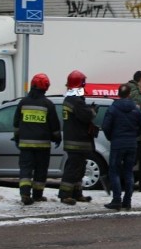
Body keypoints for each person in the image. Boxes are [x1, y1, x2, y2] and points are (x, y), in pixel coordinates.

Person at [13, 73, 61, 206]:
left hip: (25, 144)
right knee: (40, 170)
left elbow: (16, 123)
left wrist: (17, 137)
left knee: (25, 169)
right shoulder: (48, 104)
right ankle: (38, 195)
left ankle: (24, 194)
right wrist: (57, 138)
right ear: (45, 87)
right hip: (42, 145)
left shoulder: (23, 102)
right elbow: (54, 125)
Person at [102, 83, 141, 211]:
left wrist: (111, 137)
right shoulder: (136, 109)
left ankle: (117, 200)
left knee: (114, 171)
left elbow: (105, 126)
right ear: (129, 94)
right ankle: (127, 201)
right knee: (128, 172)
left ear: (118, 94)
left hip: (117, 144)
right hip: (131, 144)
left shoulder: (113, 108)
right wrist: (134, 135)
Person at [57, 70, 97, 205]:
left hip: (75, 139)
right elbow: (86, 116)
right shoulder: (75, 101)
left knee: (79, 168)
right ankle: (65, 194)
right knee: (73, 168)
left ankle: (77, 193)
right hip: (77, 140)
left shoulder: (70, 99)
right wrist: (92, 111)